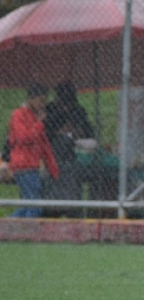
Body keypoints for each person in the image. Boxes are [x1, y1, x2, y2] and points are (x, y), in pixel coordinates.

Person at [5, 84, 58, 218]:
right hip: (23, 165)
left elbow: (44, 144)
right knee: (35, 206)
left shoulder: (34, 116)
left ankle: (8, 227)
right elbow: (24, 138)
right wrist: (39, 124)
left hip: (32, 165)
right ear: (31, 99)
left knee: (29, 204)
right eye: (40, 101)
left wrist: (52, 168)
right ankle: (26, 232)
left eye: (44, 101)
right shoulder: (19, 115)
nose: (42, 105)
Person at [44, 81, 95, 216]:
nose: (66, 108)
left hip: (76, 155)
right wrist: (58, 133)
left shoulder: (78, 111)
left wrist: (78, 131)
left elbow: (90, 134)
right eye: (63, 103)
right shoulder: (49, 110)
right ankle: (53, 211)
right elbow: (44, 134)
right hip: (54, 156)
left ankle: (81, 213)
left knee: (81, 178)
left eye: (69, 104)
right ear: (57, 100)